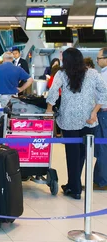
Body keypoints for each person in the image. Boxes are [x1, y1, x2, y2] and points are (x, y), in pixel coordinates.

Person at [46, 48, 107, 199]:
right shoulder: (92, 73)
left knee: (72, 154)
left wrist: (49, 109)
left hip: (69, 120)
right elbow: (105, 92)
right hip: (88, 120)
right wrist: (95, 111)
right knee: (82, 154)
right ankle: (75, 185)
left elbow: (53, 92)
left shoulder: (62, 73)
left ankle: (75, 188)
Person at [0, 51, 33, 121]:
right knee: (13, 119)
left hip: (1, 98)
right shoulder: (18, 69)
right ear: (12, 59)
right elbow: (30, 80)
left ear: (3, 59)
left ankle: (2, 131)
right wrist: (21, 89)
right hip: (14, 98)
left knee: (1, 120)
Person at [94, 48, 107, 191]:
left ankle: (102, 181)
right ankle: (99, 180)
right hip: (103, 113)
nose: (97, 61)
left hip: (103, 113)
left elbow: (101, 97)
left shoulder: (104, 76)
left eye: (99, 58)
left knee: (103, 148)